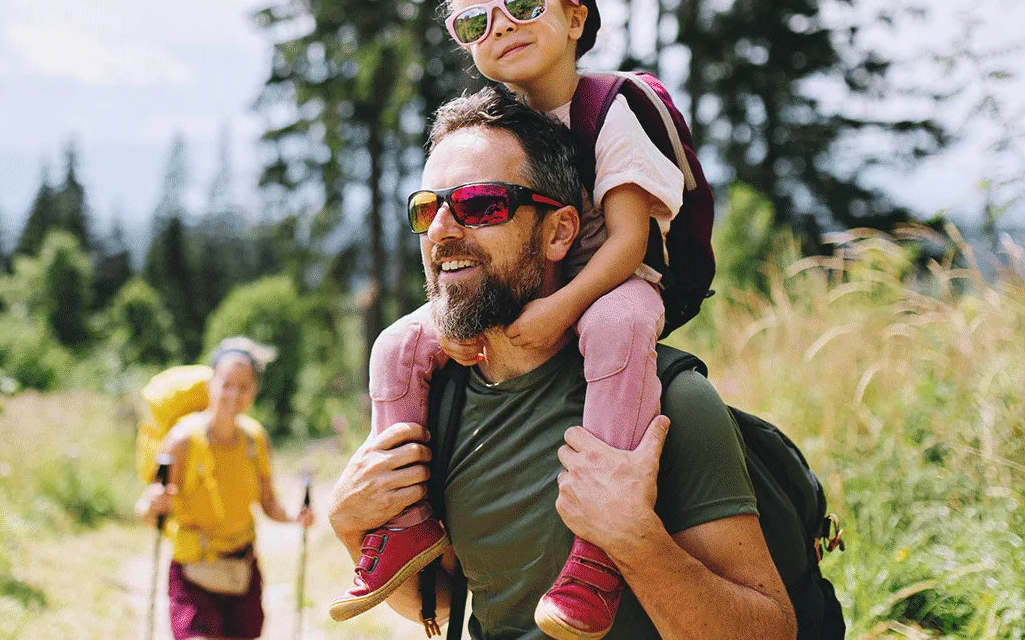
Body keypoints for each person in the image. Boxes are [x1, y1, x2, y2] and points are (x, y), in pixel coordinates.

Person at [329, 87, 796, 640]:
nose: (443, 230)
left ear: (559, 232)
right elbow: (447, 603)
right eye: (428, 209)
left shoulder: (673, 404)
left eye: (481, 205)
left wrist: (633, 539)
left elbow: (771, 629)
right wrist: (350, 525)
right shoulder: (441, 402)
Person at [332, 0, 687, 640]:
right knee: (398, 346)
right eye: (474, 21)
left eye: (523, 5)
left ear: (576, 16)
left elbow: (629, 241)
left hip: (617, 283)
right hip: (541, 291)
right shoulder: (506, 124)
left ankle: (598, 548)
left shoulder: (613, 108)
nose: (501, 28)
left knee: (616, 327)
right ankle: (404, 522)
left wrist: (559, 308)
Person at [136, 337, 314, 640]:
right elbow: (149, 509)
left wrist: (296, 515)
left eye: (244, 386)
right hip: (193, 574)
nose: (234, 394)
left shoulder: (255, 440)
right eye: (226, 384)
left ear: (254, 391)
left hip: (242, 573)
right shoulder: (182, 440)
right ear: (211, 385)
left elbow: (269, 504)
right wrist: (150, 506)